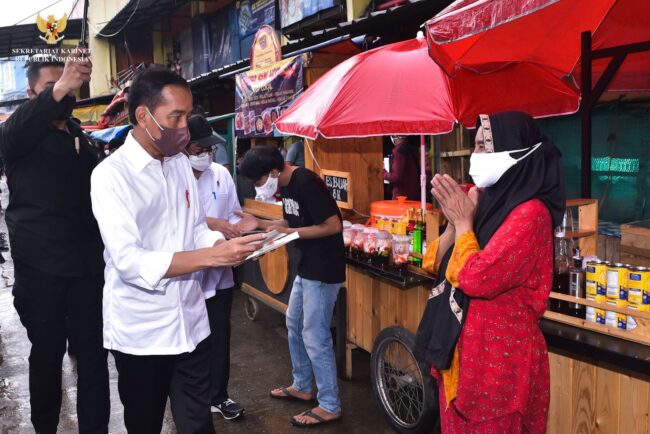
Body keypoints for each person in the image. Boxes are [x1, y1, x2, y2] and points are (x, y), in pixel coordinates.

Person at [90, 66, 265, 434]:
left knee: (197, 424)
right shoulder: (110, 176)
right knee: (145, 424)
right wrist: (213, 256)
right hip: (143, 335)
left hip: (192, 324)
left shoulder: (181, 165)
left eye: (188, 114)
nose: (186, 126)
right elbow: (129, 261)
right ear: (144, 116)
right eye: (177, 116)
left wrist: (226, 244)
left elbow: (196, 229)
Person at [417, 112, 565, 433]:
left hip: (498, 368)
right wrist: (455, 222)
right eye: (476, 146)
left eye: (485, 146)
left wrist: (464, 224)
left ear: (515, 150)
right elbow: (433, 262)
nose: (476, 156)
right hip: (460, 356)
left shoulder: (531, 215)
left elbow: (476, 278)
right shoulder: (484, 200)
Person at [0, 55, 110, 433]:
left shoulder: (82, 138)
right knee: (46, 357)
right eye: (52, 86)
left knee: (94, 359)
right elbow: (13, 132)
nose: (64, 91)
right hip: (41, 271)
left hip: (88, 269)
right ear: (31, 94)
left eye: (69, 84)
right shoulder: (17, 138)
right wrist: (61, 85)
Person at [239, 146, 345, 427]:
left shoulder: (306, 182)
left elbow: (333, 225)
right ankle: (302, 385)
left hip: (323, 269)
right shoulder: (285, 185)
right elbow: (293, 219)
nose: (259, 186)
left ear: (274, 171)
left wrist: (291, 233)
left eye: (259, 181)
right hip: (307, 266)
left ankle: (330, 405)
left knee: (314, 335)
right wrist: (261, 224)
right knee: (294, 323)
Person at [185, 114, 257, 420]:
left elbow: (235, 215)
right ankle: (189, 399)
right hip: (185, 275)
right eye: (199, 149)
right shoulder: (171, 176)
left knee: (219, 339)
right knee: (189, 342)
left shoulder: (220, 175)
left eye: (208, 149)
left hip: (221, 275)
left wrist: (247, 227)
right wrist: (212, 224)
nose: (205, 154)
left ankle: (218, 396)